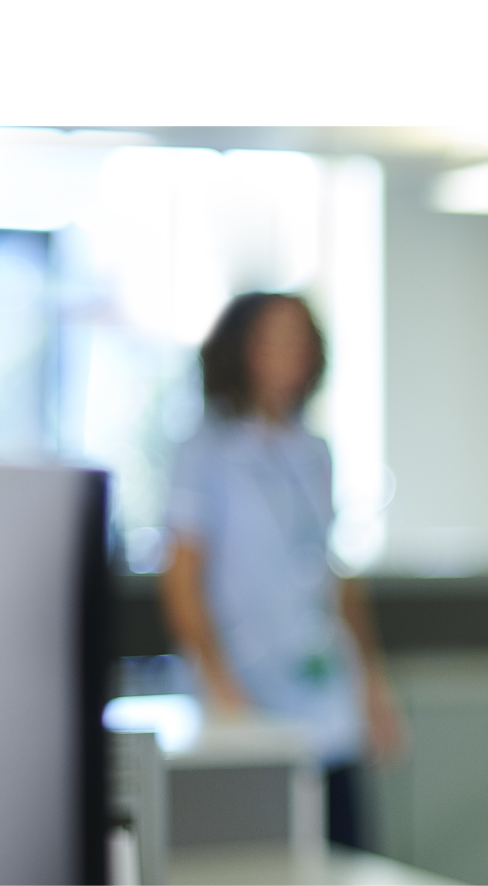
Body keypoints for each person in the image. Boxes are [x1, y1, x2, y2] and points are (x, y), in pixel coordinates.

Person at [160, 292, 403, 849]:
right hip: (244, 689)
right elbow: (181, 578)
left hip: (322, 690)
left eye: (298, 340)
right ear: (238, 350)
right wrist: (224, 689)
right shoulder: (205, 452)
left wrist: (371, 685)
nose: (286, 353)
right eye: (270, 339)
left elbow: (332, 574)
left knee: (344, 852)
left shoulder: (314, 452)